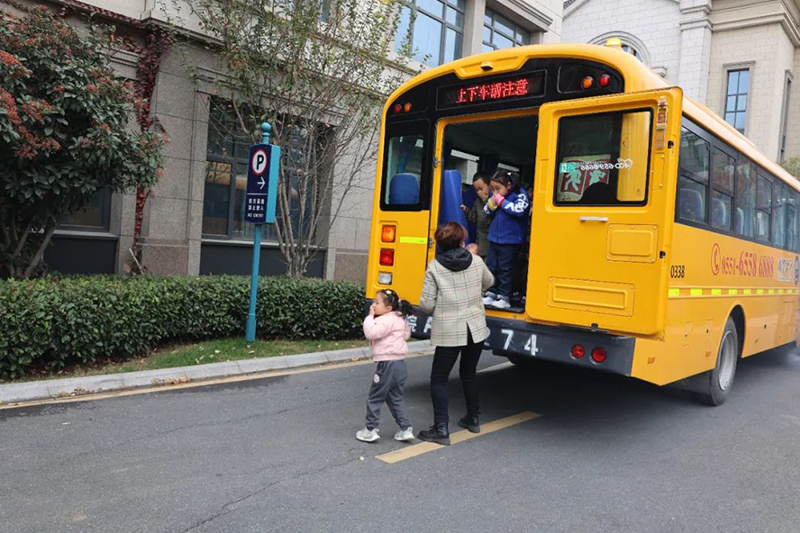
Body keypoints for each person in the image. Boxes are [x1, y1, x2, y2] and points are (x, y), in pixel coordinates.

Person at [417, 222, 494, 445]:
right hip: (475, 328)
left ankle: (441, 428)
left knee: (439, 379)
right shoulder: (476, 261)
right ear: (462, 242)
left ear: (440, 244)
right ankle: (473, 418)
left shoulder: (434, 267)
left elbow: (426, 305)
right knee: (469, 373)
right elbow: (489, 282)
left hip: (449, 330)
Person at [356, 289, 415, 444]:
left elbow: (371, 333)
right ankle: (405, 428)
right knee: (395, 397)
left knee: (375, 397)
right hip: (399, 364)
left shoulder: (385, 320)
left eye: (377, 302)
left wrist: (369, 317)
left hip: (387, 364)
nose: (373, 305)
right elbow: (406, 335)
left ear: (388, 308)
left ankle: (370, 429)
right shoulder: (399, 319)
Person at [483, 170, 530, 309]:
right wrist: (492, 203)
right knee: (491, 267)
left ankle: (504, 296)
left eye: (497, 188)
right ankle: (491, 292)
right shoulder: (496, 195)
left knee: (505, 269)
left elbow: (519, 210)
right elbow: (486, 211)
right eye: (492, 189)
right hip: (494, 238)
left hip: (511, 241)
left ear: (508, 185)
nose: (494, 192)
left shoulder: (520, 194)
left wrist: (502, 202)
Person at [461, 172, 492, 260]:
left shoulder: (494, 200)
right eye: (476, 190)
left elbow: (493, 215)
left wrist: (486, 201)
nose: (479, 192)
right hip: (480, 241)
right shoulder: (477, 201)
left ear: (489, 185)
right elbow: (475, 218)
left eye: (481, 188)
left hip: (490, 242)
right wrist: (466, 211)